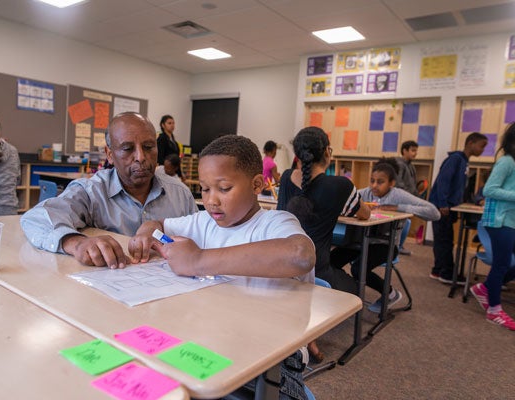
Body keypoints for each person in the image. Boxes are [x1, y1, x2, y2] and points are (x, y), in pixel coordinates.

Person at [128, 134, 315, 400]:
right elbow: (158, 224)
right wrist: (148, 230)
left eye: (224, 188)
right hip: (213, 337)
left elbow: (300, 255)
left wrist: (199, 260)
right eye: (204, 189)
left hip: (272, 356)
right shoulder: (204, 221)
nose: (212, 200)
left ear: (256, 184)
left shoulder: (275, 222)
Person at [20, 112, 197, 268]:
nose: (141, 157)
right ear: (110, 154)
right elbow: (35, 219)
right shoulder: (92, 192)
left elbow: (206, 239)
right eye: (127, 149)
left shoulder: (180, 193)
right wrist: (76, 243)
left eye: (149, 147)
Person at [276, 126, 370, 364]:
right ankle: (310, 334)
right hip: (318, 269)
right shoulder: (340, 185)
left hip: (280, 266)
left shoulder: (287, 178)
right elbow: (364, 214)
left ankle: (308, 336)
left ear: (297, 154)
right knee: (356, 288)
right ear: (327, 152)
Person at [330, 159, 440, 313]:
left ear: (391, 183)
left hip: (385, 245)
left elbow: (434, 212)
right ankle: (349, 290)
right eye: (372, 181)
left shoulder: (398, 195)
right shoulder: (365, 193)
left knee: (358, 269)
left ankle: (390, 293)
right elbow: (345, 200)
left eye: (380, 182)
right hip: (360, 242)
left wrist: (399, 207)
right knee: (330, 261)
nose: (374, 185)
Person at [470, 122, 515, 330]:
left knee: (505, 264)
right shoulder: (507, 161)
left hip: (510, 222)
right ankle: (494, 310)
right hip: (499, 221)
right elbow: (490, 189)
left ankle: (485, 288)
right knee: (501, 264)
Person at [429, 132, 488, 284]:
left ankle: (438, 270)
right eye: (481, 146)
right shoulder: (455, 159)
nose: (483, 150)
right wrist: (443, 203)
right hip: (442, 207)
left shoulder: (463, 161)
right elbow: (443, 181)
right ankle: (446, 272)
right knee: (444, 240)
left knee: (444, 239)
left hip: (449, 207)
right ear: (471, 143)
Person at [394, 140, 419, 256]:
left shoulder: (411, 166)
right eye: (413, 150)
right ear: (404, 151)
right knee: (399, 224)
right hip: (402, 199)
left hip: (409, 199)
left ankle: (399, 245)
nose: (415, 153)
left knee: (404, 223)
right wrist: (406, 196)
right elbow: (398, 183)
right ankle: (396, 246)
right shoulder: (400, 164)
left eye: (416, 151)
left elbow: (412, 183)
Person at [156, 114, 184, 180]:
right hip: (165, 172)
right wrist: (167, 170)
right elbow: (160, 158)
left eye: (173, 123)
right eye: (169, 123)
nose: (172, 125)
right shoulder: (161, 139)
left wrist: (180, 174)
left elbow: (177, 159)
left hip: (174, 172)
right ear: (163, 125)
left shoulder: (174, 141)